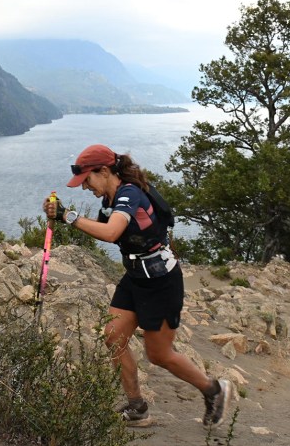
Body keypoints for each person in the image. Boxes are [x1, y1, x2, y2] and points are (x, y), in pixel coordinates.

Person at [44, 144, 230, 427]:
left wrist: (67, 217)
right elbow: (111, 229)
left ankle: (213, 390)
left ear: (104, 171)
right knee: (113, 336)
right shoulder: (111, 198)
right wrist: (63, 215)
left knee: (159, 354)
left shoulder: (129, 194)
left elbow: (112, 232)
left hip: (160, 282)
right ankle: (137, 407)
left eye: (87, 181)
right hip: (134, 277)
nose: (85, 188)